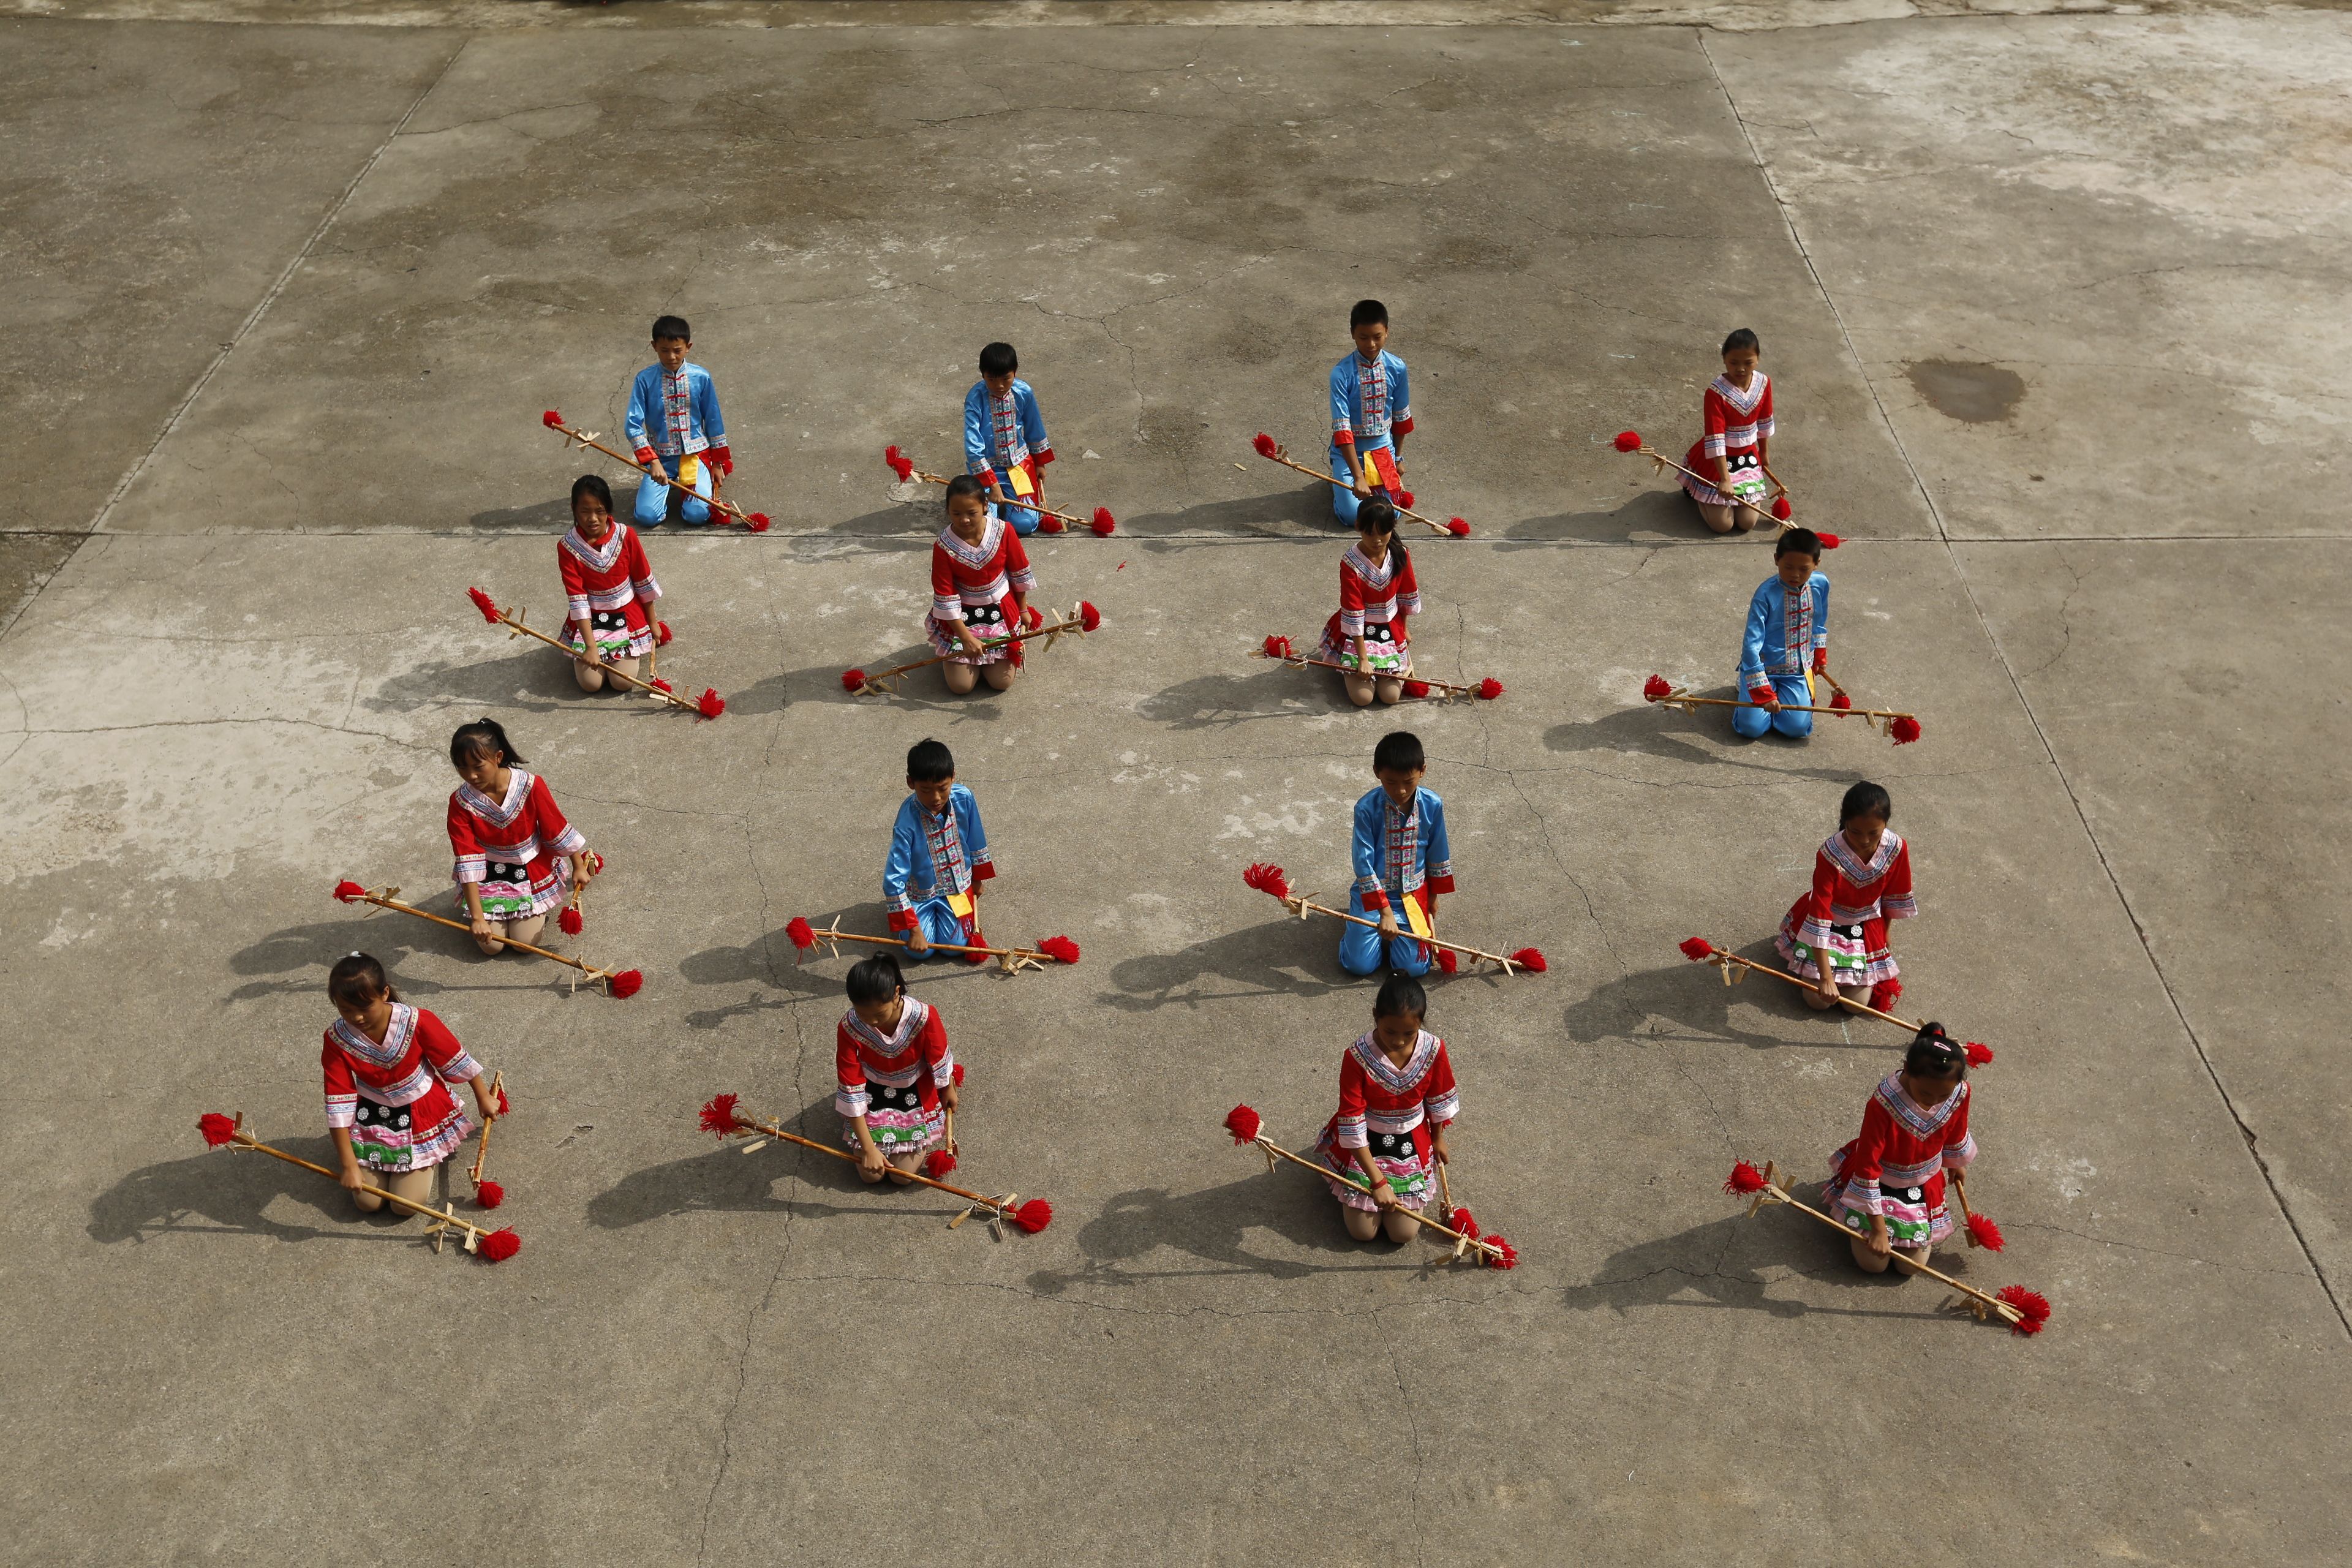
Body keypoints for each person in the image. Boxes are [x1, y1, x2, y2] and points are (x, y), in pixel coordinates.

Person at [321, 952, 499, 1215]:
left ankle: (426, 1155)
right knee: (368, 1202)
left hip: (421, 1112)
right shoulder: (337, 1039)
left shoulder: (418, 1021)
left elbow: (453, 1057)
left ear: (385, 993)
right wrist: (348, 1165)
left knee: (403, 1206)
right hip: (372, 1114)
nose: (357, 1018)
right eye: (346, 1010)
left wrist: (483, 1097)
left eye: (364, 1008)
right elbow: (338, 1100)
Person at [1313, 974, 1459, 1243]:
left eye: (1409, 1033)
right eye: (1390, 1032)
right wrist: (1378, 1183)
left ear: (1421, 1024)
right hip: (1366, 1143)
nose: (1399, 1041)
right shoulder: (1357, 1056)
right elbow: (1352, 1117)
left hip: (1411, 1141)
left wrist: (1437, 1137)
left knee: (1402, 1235)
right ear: (1375, 1017)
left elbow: (1437, 1098)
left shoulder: (1434, 1049)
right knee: (1363, 1233)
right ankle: (1362, 1184)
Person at [1822, 1025, 1976, 1273]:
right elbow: (1868, 1165)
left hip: (1922, 1182)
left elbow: (1957, 1128)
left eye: (1943, 1096)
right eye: (1925, 1093)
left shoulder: (1959, 1092)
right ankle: (1866, 1219)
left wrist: (1957, 1163)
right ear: (1906, 1069)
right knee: (1874, 1265)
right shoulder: (1883, 1103)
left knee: (1909, 1268)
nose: (1933, 1102)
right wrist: (1878, 1230)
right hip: (1880, 1179)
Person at [445, 718, 597, 956]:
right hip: (488, 874)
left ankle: (531, 911)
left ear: (498, 757)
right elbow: (467, 857)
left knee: (523, 944)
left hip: (530, 869)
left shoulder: (531, 785)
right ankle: (493, 913)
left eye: (478, 766)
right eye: (462, 768)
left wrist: (578, 866)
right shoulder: (460, 803)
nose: (471, 776)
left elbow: (555, 827)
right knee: (492, 947)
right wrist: (477, 918)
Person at [1777, 780, 1914, 1012]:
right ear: (1845, 822)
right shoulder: (1830, 853)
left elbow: (1892, 895)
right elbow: (1820, 913)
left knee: (1856, 1006)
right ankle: (1816, 970)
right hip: (1828, 921)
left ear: (1886, 823)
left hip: (1865, 924)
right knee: (1818, 1001)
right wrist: (1826, 978)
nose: (1865, 840)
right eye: (1855, 832)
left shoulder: (1897, 848)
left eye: (1874, 833)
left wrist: (1885, 933)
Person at [835, 954, 959, 1185]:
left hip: (915, 1088)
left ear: (896, 994)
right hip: (871, 1090)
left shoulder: (924, 1016)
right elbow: (850, 1082)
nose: (871, 1022)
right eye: (862, 1014)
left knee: (902, 1178)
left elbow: (938, 1054)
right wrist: (869, 1149)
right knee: (871, 1175)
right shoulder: (849, 1026)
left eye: (879, 1014)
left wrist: (947, 1087)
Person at [1340, 731, 1453, 978]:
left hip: (1412, 895)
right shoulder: (1366, 808)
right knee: (1358, 966)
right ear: (1376, 772)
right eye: (1391, 783)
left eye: (1408, 782)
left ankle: (1380, 938)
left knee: (1414, 969)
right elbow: (1363, 862)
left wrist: (1432, 897)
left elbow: (1438, 851)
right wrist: (1385, 913)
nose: (1401, 791)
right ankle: (1356, 931)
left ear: (1422, 771)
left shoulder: (1433, 804)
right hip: (1372, 897)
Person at [883, 737, 996, 963]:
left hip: (956, 888)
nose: (936, 798)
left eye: (943, 789)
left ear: (953, 776)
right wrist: (914, 930)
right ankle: (912, 918)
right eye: (925, 790)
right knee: (920, 951)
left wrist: (977, 880)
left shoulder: (964, 798)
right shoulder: (906, 822)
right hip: (920, 894)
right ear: (910, 783)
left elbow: (976, 839)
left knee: (954, 948)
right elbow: (893, 879)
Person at [924, 474, 1036, 695]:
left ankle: (984, 660)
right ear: (948, 510)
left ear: (985, 506)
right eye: (956, 513)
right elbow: (945, 595)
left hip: (1002, 612)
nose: (964, 520)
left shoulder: (1004, 531)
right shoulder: (943, 546)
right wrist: (966, 638)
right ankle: (962, 658)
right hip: (963, 618)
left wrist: (1023, 610)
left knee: (1001, 683)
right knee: (961, 687)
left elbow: (1018, 573)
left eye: (971, 513)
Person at [622, 314, 730, 528]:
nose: (671, 356)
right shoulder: (644, 379)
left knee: (697, 515)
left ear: (688, 347)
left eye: (677, 350)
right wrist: (653, 462)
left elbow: (713, 419)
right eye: (664, 350)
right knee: (646, 517)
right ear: (654, 346)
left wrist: (717, 464)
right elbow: (632, 425)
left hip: (695, 455)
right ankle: (667, 490)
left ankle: (697, 485)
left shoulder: (701, 377)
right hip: (660, 458)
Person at [557, 473, 662, 693]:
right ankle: (589, 650)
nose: (593, 519)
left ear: (609, 510)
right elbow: (577, 598)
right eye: (585, 511)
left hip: (626, 616)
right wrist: (590, 647)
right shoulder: (568, 547)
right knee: (591, 684)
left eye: (600, 511)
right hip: (591, 620)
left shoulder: (626, 535)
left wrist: (652, 623)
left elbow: (642, 581)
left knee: (622, 683)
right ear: (574, 509)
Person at [1313, 497, 1420, 707]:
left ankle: (1379, 668)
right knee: (1363, 698)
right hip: (1358, 633)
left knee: (1390, 696)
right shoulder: (1350, 563)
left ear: (1392, 527)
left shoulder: (1400, 554)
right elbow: (1353, 610)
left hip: (1390, 628)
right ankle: (1351, 665)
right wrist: (1362, 659)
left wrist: (1404, 629)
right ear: (1358, 526)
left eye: (1383, 532)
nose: (1377, 540)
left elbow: (1405, 596)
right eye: (1370, 533)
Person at [1733, 527, 1828, 739]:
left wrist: (1819, 654)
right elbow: (1751, 645)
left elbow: (1819, 621)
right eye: (1788, 567)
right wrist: (1763, 692)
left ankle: (1775, 699)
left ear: (1816, 564)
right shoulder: (1764, 594)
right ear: (1777, 560)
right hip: (1764, 668)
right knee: (1751, 729)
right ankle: (1747, 685)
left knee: (1797, 729)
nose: (1795, 575)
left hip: (1797, 670)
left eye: (1804, 569)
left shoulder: (1821, 585)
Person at [1327, 298, 1414, 527]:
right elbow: (1342, 429)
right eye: (1364, 338)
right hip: (1350, 454)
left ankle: (1344, 484)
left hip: (1383, 450)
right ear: (1353, 334)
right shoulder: (1340, 373)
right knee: (1353, 516)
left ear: (1387, 332)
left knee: (1390, 514)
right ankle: (1340, 484)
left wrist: (1397, 458)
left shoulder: (1397, 368)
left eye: (1377, 337)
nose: (1372, 344)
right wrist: (1358, 477)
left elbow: (1401, 417)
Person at [1682, 328, 1776, 534]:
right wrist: (1725, 480)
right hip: (1719, 461)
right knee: (1723, 526)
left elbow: (1764, 421)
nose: (1741, 369)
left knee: (1747, 523)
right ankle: (1699, 494)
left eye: (1748, 363)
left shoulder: (1763, 383)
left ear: (1758, 359)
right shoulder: (1715, 393)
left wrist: (1764, 452)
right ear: (1724, 358)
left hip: (1747, 456)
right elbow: (1715, 437)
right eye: (1734, 363)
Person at [963, 341, 1054, 537]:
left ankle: (1006, 515)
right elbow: (973, 447)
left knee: (1025, 523)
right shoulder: (975, 398)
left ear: (1015, 372)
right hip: (986, 472)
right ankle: (995, 515)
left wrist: (1040, 463)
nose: (1000, 386)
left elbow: (1034, 427)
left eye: (1006, 378)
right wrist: (993, 485)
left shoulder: (1024, 392)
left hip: (1019, 467)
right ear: (983, 375)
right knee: (983, 525)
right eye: (991, 379)